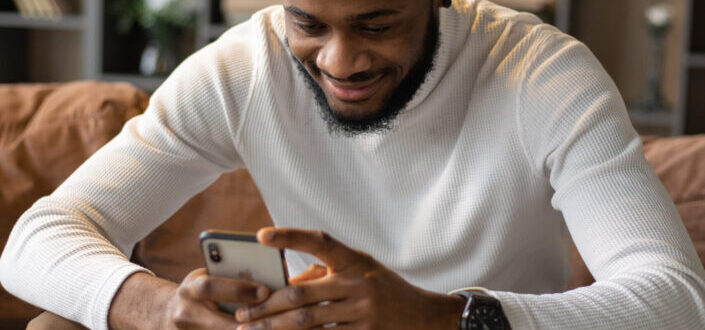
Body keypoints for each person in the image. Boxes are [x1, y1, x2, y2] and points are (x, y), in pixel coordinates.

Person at [2, 0, 704, 329]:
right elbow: (39, 235)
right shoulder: (243, 69)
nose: (340, 63)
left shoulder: (542, 74)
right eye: (309, 25)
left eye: (376, 24)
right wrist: (152, 306)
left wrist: (441, 319)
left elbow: (676, 298)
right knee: (56, 327)